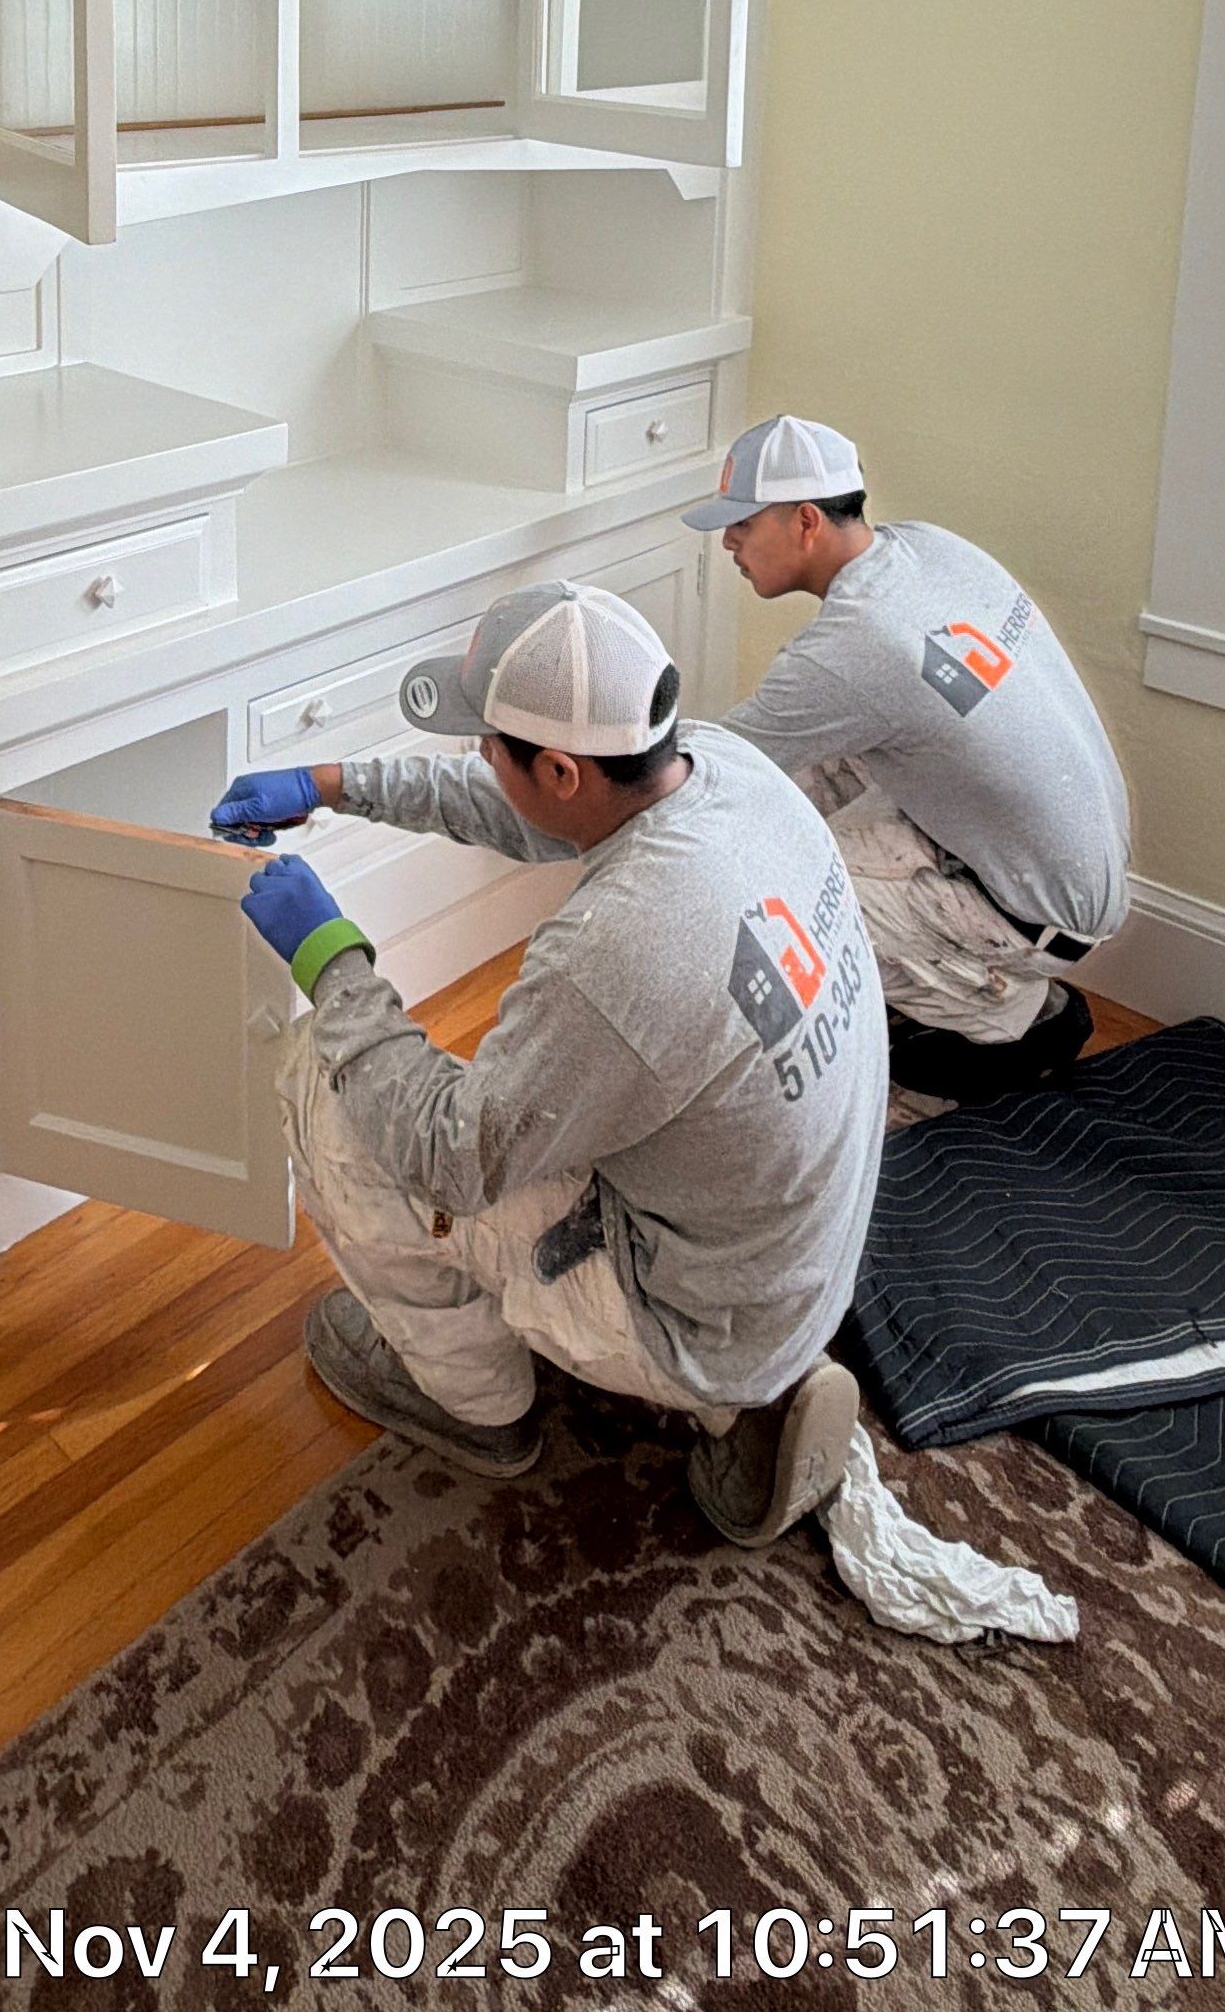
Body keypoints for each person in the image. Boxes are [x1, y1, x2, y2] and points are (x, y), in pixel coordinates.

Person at [212, 581, 887, 1542]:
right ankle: (757, 1380)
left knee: (329, 1082)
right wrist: (334, 784)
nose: (482, 760)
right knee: (526, 1093)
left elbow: (448, 1156)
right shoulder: (724, 767)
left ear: (564, 770)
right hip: (790, 1260)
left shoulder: (618, 947)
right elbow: (528, 812)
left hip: (695, 1313)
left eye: (490, 746)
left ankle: (475, 1404)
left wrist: (332, 959)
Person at [688, 416, 1131, 1103]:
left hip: (1031, 915)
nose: (728, 543)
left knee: (758, 897)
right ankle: (953, 981)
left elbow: (703, 773)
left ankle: (995, 1014)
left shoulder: (854, 644)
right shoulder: (928, 548)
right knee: (798, 775)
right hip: (1075, 863)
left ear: (806, 521)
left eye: (742, 525)